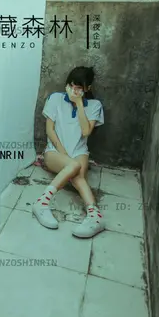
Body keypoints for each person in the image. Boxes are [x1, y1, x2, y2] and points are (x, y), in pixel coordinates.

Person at [32, 66, 105, 238]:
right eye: (71, 85)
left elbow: (86, 132)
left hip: (80, 152)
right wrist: (64, 155)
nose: (73, 90)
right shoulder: (55, 99)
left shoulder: (94, 105)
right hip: (54, 152)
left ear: (88, 88)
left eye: (79, 87)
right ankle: (42, 203)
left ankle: (95, 217)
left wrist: (79, 103)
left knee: (77, 175)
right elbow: (49, 130)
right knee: (74, 166)